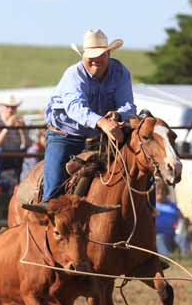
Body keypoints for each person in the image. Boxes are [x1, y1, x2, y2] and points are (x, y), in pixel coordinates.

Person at [40, 29, 136, 203]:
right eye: (91, 55)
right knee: (54, 190)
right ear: (83, 55)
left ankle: (147, 211)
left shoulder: (120, 72)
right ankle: (48, 216)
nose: (95, 60)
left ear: (108, 53)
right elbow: (74, 107)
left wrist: (118, 115)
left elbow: (128, 106)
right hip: (65, 134)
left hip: (101, 136)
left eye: (100, 55)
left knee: (140, 166)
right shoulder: (74, 74)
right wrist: (102, 122)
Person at [0, 95, 27, 182]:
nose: (10, 110)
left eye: (13, 107)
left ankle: (22, 183)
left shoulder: (19, 121)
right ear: (1, 108)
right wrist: (7, 128)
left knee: (30, 152)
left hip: (12, 154)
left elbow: (27, 144)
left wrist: (22, 130)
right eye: (7, 107)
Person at [154, 184, 184, 256]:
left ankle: (185, 255)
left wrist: (183, 222)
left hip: (174, 235)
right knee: (159, 238)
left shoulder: (172, 205)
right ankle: (167, 256)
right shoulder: (152, 206)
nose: (160, 192)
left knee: (182, 236)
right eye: (158, 191)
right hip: (159, 235)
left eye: (162, 191)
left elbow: (182, 218)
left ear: (166, 192)